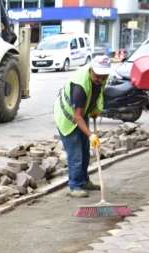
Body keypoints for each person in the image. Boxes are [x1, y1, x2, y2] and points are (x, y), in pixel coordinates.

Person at [53, 55, 111, 198]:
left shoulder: (101, 77)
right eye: (98, 76)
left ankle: (84, 181)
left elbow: (97, 94)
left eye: (104, 76)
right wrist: (91, 135)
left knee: (85, 152)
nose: (101, 80)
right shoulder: (80, 84)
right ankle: (75, 186)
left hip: (81, 113)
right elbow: (77, 115)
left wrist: (95, 109)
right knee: (76, 155)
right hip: (68, 117)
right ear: (91, 70)